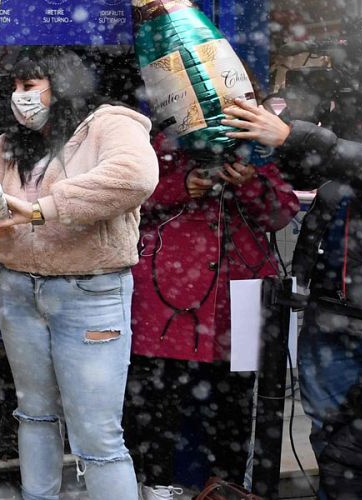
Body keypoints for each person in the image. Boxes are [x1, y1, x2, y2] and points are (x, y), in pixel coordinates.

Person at [0, 49, 158, 500]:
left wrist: (44, 210)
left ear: (61, 85)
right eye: (15, 88)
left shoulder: (109, 124)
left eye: (29, 87)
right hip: (17, 290)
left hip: (90, 292)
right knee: (35, 415)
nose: (18, 98)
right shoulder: (8, 145)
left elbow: (135, 176)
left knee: (96, 435)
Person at [223, 88, 362, 468]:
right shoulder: (361, 116)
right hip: (331, 306)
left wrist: (292, 136)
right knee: (332, 437)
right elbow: (306, 171)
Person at [123, 133, 297, 498]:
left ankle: (225, 488)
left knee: (232, 408)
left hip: (235, 299)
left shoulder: (255, 147)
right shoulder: (159, 144)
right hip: (165, 294)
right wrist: (181, 187)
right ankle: (156, 485)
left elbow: (281, 212)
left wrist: (249, 183)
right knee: (157, 403)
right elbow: (127, 199)